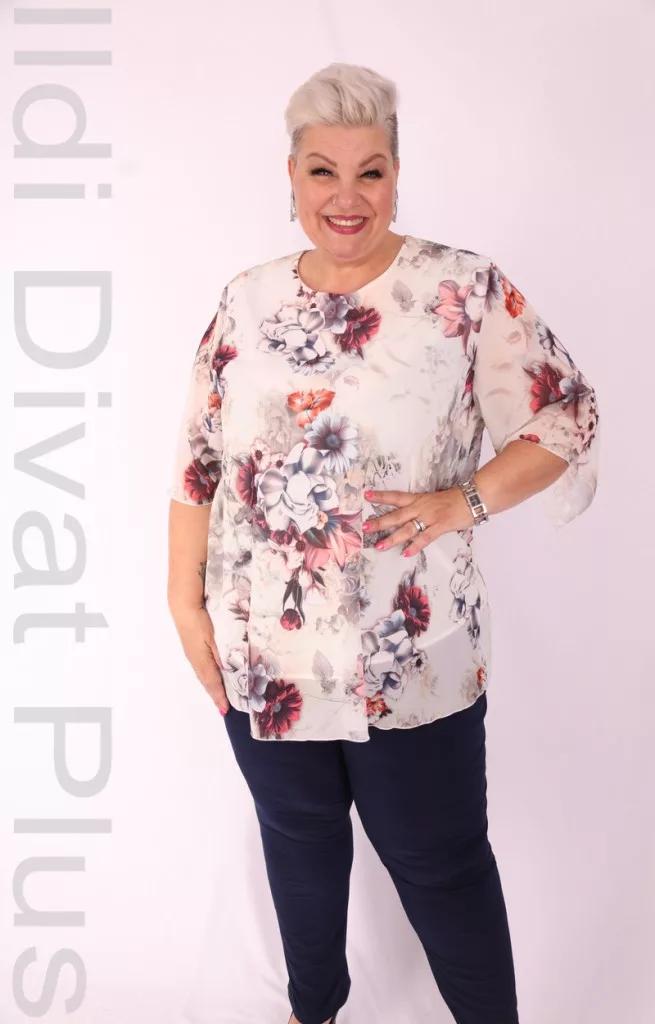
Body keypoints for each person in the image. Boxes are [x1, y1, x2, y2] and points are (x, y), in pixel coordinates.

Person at [167, 63, 599, 1024]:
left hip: (411, 651)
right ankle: (311, 1009)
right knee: (298, 843)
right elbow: (199, 461)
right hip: (265, 651)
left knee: (441, 864)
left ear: (397, 175)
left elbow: (564, 416)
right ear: (290, 177)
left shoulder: (461, 289)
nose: (346, 196)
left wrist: (463, 501)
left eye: (369, 171)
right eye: (322, 171)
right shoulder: (246, 299)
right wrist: (181, 601)